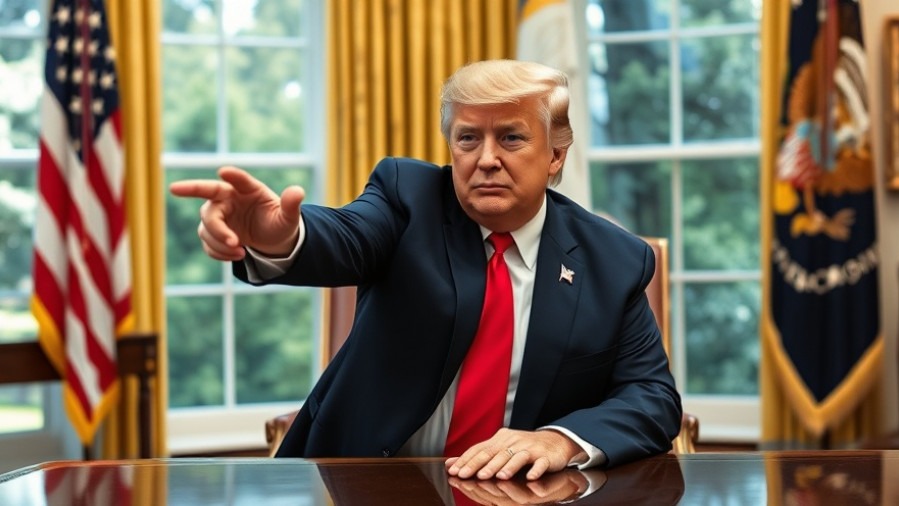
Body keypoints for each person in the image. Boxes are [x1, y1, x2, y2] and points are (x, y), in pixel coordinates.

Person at [170, 59, 682, 481]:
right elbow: (347, 235)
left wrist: (557, 440)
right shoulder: (407, 197)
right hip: (364, 482)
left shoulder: (613, 259)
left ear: (555, 155)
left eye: (510, 139)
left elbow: (652, 397)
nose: (485, 159)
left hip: (516, 493)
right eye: (467, 139)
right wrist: (279, 236)